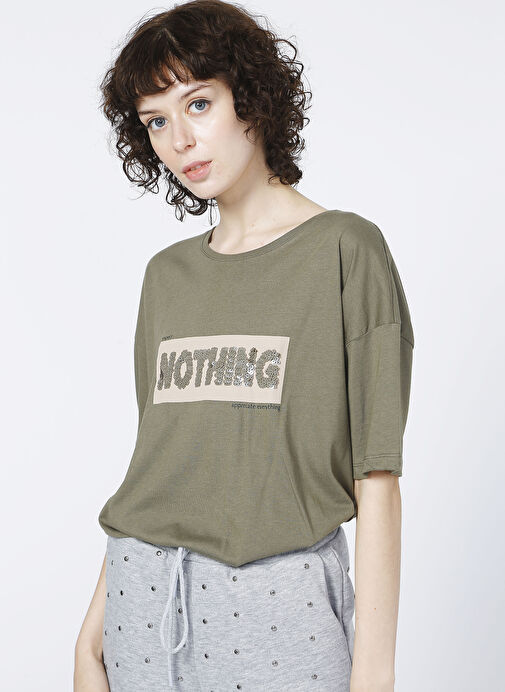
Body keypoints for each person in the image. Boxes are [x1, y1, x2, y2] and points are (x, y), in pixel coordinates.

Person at [74, 1, 414, 691]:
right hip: (140, 605)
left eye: (198, 104)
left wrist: (374, 675)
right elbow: (162, 463)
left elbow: (376, 476)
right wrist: (92, 635)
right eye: (155, 121)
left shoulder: (345, 250)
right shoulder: (166, 277)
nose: (179, 140)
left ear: (251, 97)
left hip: (280, 612)